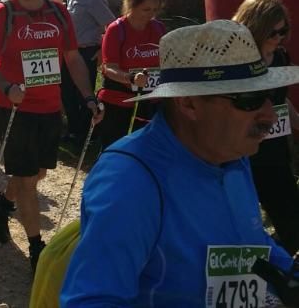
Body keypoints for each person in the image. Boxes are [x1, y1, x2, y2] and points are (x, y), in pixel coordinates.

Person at [61, 20, 299, 306]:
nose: (270, 115)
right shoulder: (131, 180)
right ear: (188, 104)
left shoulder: (232, 156)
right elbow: (91, 300)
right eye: (249, 99)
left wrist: (289, 272)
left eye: (270, 96)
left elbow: (249, 242)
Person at [0, 0, 102, 270]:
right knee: (28, 180)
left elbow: (73, 58)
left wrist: (89, 96)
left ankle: (3, 203)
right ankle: (37, 248)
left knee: (38, 173)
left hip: (49, 106)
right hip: (16, 107)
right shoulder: (3, 13)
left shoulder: (58, 13)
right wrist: (7, 87)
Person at [233, 0, 299, 255]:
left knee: (291, 218)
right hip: (239, 154)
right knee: (242, 223)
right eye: (273, 32)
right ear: (255, 28)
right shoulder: (235, 62)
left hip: (274, 154)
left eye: (284, 31)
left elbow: (281, 102)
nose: (279, 37)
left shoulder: (281, 57)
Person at [97, 0, 166, 149]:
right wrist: (130, 78)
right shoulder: (116, 29)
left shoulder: (159, 29)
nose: (151, 14)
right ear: (132, 6)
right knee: (114, 147)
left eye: (155, 10)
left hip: (150, 100)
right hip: (119, 98)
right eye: (146, 9)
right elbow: (109, 67)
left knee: (146, 148)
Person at [58, 0, 116, 142]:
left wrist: (102, 50)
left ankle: (87, 132)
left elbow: (111, 26)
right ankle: (75, 130)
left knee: (83, 93)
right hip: (71, 51)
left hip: (86, 52)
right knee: (67, 91)